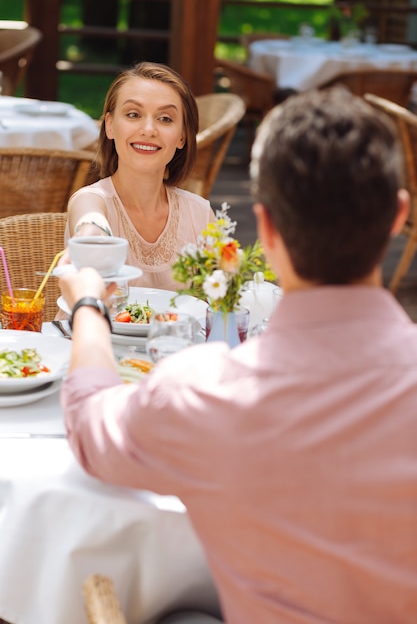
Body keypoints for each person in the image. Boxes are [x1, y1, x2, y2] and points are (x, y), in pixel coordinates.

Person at [59, 87, 417, 624]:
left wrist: (87, 304)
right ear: (397, 216)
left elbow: (88, 422)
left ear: (265, 229)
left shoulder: (203, 392)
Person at [63, 61, 215, 291]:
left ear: (182, 136)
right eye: (133, 114)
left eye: (165, 119)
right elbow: (90, 222)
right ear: (110, 126)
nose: (148, 129)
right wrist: (91, 236)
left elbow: (223, 303)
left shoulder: (200, 215)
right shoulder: (91, 200)